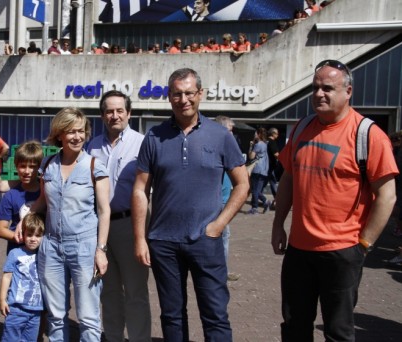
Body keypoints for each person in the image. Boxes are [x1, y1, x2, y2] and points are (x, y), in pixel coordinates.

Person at [271, 59, 398, 341]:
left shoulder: (368, 135)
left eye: (328, 88)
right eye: (315, 88)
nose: (319, 94)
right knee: (294, 326)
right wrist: (278, 224)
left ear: (348, 91)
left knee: (338, 331)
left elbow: (387, 196)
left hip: (342, 252)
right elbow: (288, 180)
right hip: (299, 250)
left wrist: (363, 244)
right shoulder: (302, 128)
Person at [132, 68, 249, 341]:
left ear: (200, 94)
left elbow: (242, 185)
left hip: (205, 240)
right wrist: (140, 238)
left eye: (188, 93)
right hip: (163, 240)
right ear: (169, 97)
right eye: (176, 93)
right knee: (172, 315)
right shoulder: (154, 137)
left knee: (215, 314)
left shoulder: (220, 135)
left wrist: (218, 225)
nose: (183, 99)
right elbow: (140, 189)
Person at [16, 107, 110, 341]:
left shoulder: (94, 165)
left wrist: (101, 249)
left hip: (84, 247)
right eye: (71, 132)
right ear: (59, 134)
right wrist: (24, 221)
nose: (77, 136)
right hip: (52, 247)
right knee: (56, 316)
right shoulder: (48, 164)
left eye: (81, 131)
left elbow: (104, 210)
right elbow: (41, 201)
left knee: (88, 317)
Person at [87, 90, 151, 342]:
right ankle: (113, 337)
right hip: (100, 228)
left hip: (130, 224)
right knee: (108, 290)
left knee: (135, 291)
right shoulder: (91, 146)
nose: (115, 115)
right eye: (109, 111)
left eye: (120, 110)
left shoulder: (143, 143)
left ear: (129, 113)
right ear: (102, 115)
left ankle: (138, 339)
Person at [0, 213, 45, 341]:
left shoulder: (44, 255)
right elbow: (7, 276)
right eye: (29, 235)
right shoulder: (15, 253)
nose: (33, 239)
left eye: (37, 235)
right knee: (10, 339)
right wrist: (3, 299)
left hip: (36, 311)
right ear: (23, 234)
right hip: (16, 309)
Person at [0, 140, 43, 254]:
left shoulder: (46, 192)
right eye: (22, 166)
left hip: (44, 255)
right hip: (18, 254)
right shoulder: (11, 195)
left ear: (39, 167)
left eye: (32, 167)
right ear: (16, 166)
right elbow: (1, 229)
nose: (27, 171)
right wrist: (22, 239)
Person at [214, 115, 241, 282]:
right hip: (218, 199)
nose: (232, 135)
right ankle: (220, 271)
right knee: (223, 234)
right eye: (230, 131)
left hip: (224, 196)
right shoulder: (219, 146)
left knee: (222, 233)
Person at [248, 127, 270, 215]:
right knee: (258, 190)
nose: (254, 135)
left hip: (257, 168)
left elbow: (251, 156)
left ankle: (255, 208)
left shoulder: (258, 145)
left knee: (254, 190)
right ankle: (266, 201)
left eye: (255, 133)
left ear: (259, 134)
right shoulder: (265, 144)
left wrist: (251, 146)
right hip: (264, 169)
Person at [265, 128, 280, 209]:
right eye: (277, 133)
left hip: (266, 166)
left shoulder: (266, 141)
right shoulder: (272, 142)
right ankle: (278, 200)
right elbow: (276, 154)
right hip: (270, 166)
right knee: (273, 183)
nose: (278, 135)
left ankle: (257, 198)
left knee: (265, 183)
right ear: (273, 134)